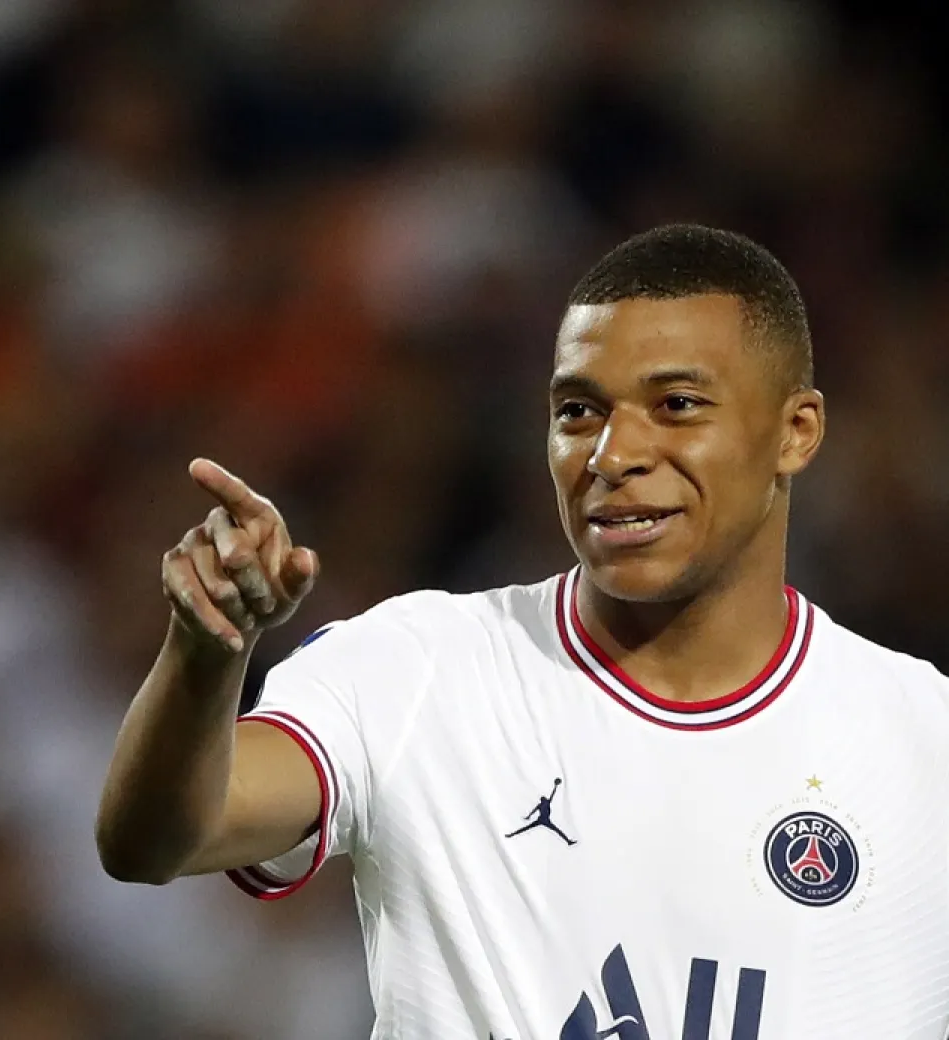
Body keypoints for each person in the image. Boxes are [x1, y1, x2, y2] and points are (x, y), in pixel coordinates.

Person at [94, 224, 949, 1038]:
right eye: (578, 411)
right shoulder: (418, 669)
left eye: (677, 404)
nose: (612, 454)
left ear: (796, 432)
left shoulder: (923, 739)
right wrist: (205, 652)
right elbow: (156, 841)